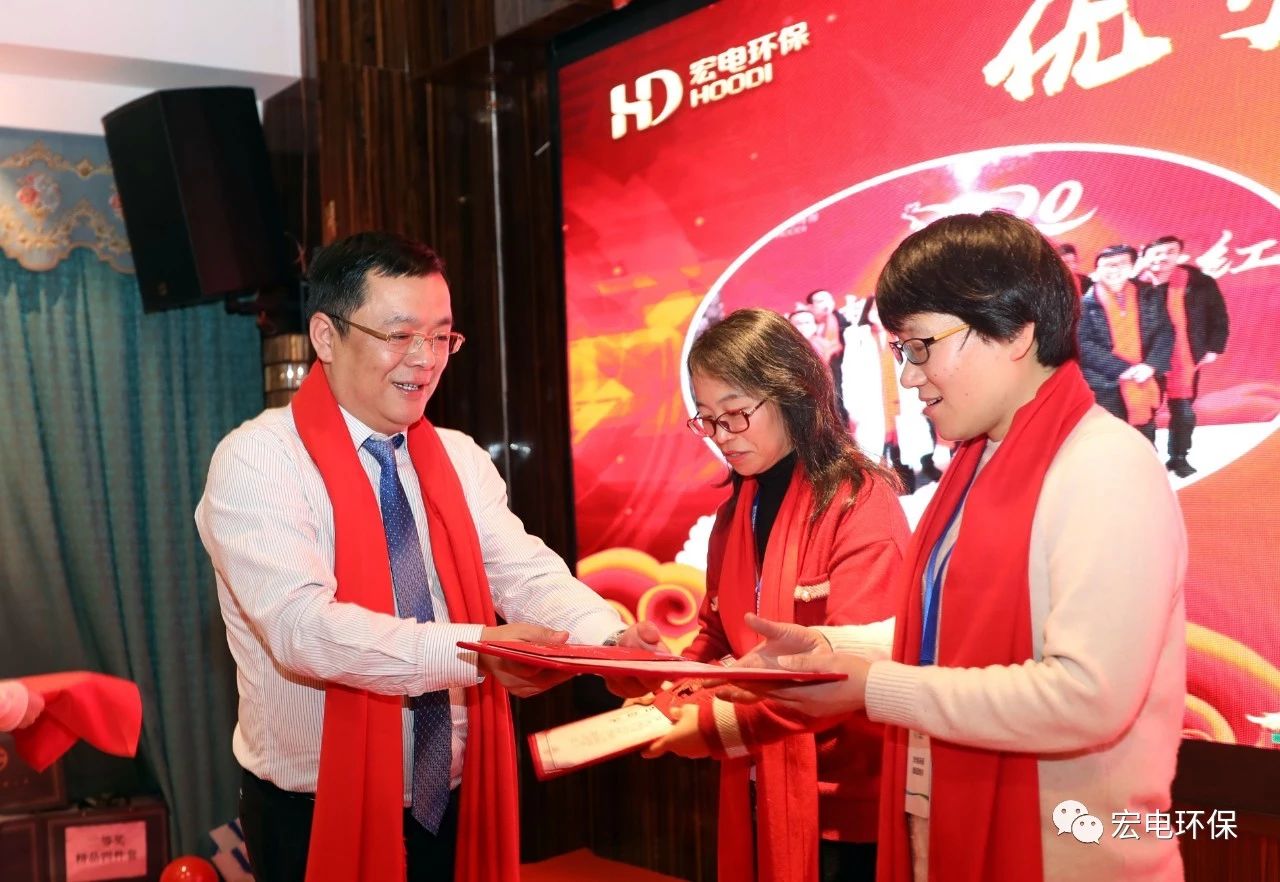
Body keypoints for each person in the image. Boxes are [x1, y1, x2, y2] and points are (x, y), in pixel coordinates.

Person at [718, 213, 1187, 882]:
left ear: (1016, 331)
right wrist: (829, 648)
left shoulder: (1104, 465)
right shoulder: (978, 467)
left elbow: (1088, 696)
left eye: (919, 347)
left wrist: (874, 690)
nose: (910, 378)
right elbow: (948, 635)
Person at [195, 232, 660, 882]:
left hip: (457, 799)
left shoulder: (457, 457)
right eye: (399, 335)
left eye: (441, 337)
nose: (424, 359)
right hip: (316, 814)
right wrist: (474, 650)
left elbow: (522, 571)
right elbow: (302, 630)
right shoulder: (260, 460)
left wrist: (607, 643)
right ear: (326, 336)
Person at [645, 308, 909, 882]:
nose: (722, 436)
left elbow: (849, 664)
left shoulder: (859, 500)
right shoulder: (733, 516)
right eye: (707, 419)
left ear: (792, 393)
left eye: (736, 413)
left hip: (847, 798)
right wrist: (666, 687)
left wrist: (716, 722)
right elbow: (719, 638)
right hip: (759, 777)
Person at [1139, 236, 1230, 477]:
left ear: (1179, 255)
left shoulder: (1199, 283)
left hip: (1185, 358)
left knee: (1183, 412)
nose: (1162, 257)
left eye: (1170, 252)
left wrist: (1214, 348)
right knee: (1144, 413)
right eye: (1156, 253)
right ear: (1144, 256)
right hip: (1147, 362)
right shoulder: (1134, 286)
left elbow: (1218, 316)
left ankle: (1179, 458)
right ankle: (1146, 460)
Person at [1077, 245, 1173, 445]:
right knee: (1110, 437)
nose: (1114, 270)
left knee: (1145, 434)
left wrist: (1150, 365)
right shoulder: (1082, 303)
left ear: (1132, 267)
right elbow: (1082, 343)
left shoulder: (1150, 295)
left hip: (1146, 377)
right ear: (1097, 270)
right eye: (1108, 265)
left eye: (1121, 264)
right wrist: (1123, 369)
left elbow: (1165, 331)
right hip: (1104, 383)